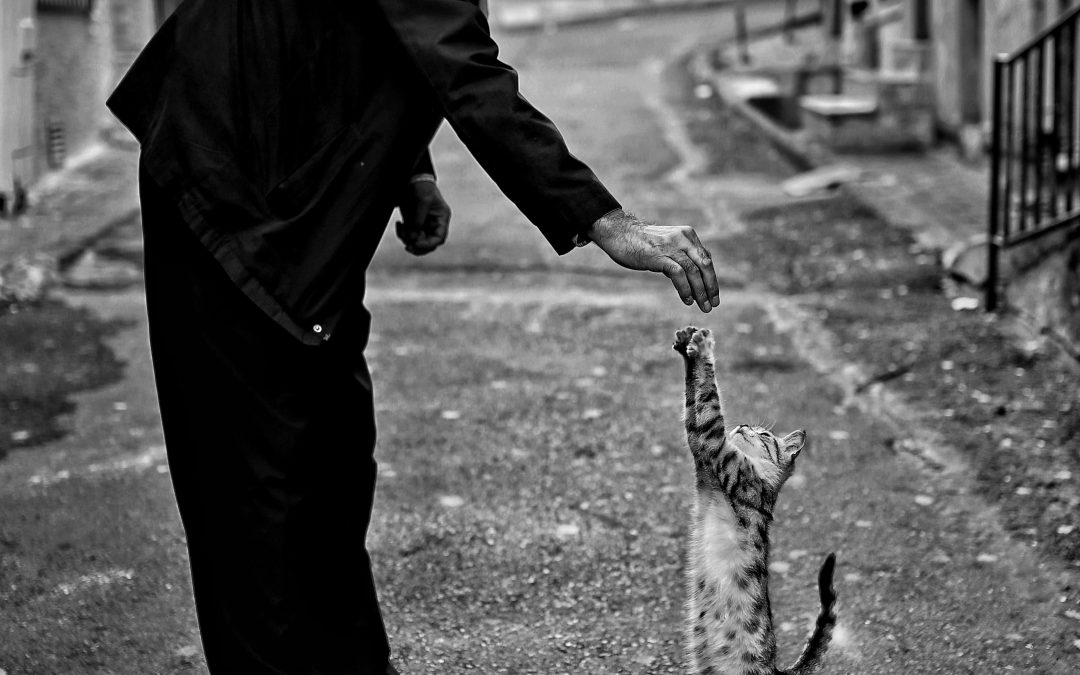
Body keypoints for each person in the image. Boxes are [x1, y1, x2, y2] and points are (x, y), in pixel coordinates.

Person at [107, 1, 720, 673]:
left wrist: (411, 171)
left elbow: (386, 26)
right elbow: (463, 68)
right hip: (222, 186)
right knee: (254, 505)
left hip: (292, 191)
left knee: (333, 457)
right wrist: (608, 222)